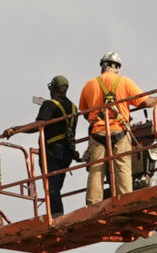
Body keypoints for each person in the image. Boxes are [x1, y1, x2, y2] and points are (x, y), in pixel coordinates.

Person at [79, 53, 150, 206]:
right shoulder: (124, 82)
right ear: (117, 67)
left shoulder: (89, 85)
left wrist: (98, 119)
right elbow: (145, 102)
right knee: (122, 167)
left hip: (97, 133)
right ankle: (125, 202)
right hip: (120, 131)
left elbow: (84, 112)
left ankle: (93, 205)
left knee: (96, 170)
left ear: (102, 66)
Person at [35, 75, 80, 217]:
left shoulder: (49, 104)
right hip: (67, 153)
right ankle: (56, 213)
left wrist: (16, 129)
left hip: (52, 152)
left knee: (52, 187)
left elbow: (39, 125)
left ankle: (56, 217)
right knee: (56, 186)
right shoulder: (73, 108)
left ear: (52, 89)